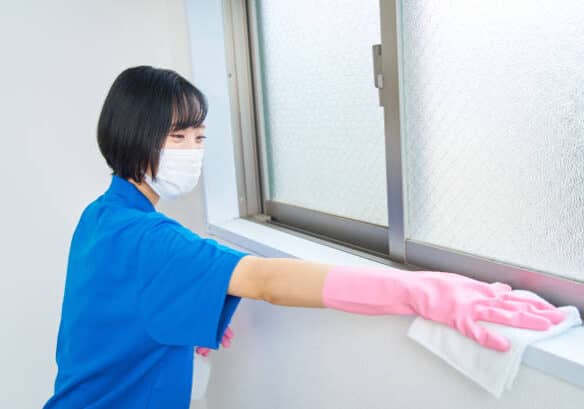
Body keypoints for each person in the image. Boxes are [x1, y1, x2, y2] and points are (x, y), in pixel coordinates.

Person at [43, 66, 565, 409]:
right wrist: (417, 290)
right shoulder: (151, 241)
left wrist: (187, 320)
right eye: (176, 137)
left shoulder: (103, 217)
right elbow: (268, 279)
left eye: (199, 137)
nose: (192, 150)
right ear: (132, 134)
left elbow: (115, 313)